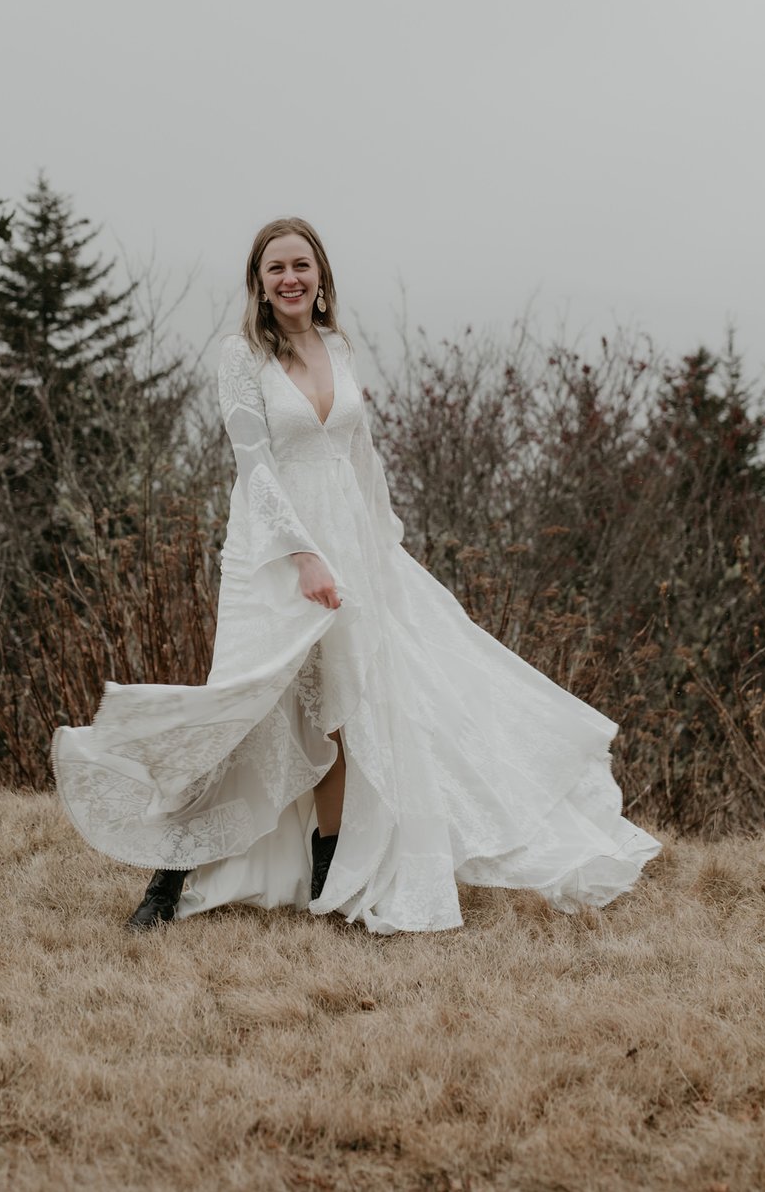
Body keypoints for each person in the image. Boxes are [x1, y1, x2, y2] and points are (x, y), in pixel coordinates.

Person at [52, 218, 660, 935]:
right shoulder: (239, 355)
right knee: (245, 708)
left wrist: (385, 546)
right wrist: (303, 556)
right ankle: (167, 881)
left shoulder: (336, 347)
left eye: (300, 265)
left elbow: (361, 457)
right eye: (275, 268)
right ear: (258, 282)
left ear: (320, 276)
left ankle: (327, 876)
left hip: (349, 548)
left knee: (340, 710)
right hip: (273, 557)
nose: (289, 279)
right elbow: (255, 466)